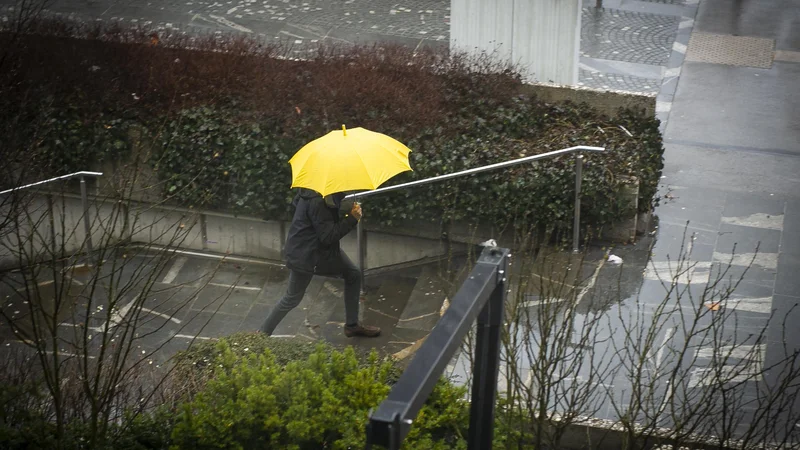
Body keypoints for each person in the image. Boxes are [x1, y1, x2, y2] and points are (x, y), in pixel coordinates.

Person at [260, 188, 380, 337]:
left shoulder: (314, 192)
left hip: (316, 250)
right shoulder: (317, 201)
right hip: (307, 255)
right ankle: (261, 334)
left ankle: (352, 325)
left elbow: (324, 213)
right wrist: (352, 219)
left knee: (353, 274)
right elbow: (328, 236)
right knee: (292, 298)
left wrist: (347, 206)